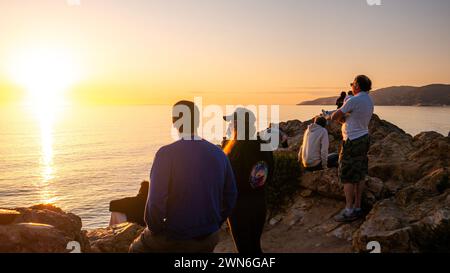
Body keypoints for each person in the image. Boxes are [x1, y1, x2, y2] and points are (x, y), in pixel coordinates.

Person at [129, 100, 238, 253]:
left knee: (135, 248)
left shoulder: (166, 154)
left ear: (174, 122)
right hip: (210, 237)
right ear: (198, 121)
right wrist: (215, 223)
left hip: (177, 237)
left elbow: (155, 202)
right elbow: (231, 196)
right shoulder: (219, 153)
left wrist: (155, 229)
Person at [222, 108, 274, 254]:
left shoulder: (235, 148)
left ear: (238, 125)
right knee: (255, 246)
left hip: (239, 207)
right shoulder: (263, 144)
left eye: (232, 122)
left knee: (244, 249)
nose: (230, 126)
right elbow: (269, 173)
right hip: (259, 203)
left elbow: (228, 179)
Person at [331, 75, 374, 223]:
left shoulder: (354, 100)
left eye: (352, 84)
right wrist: (347, 117)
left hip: (352, 141)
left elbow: (334, 116)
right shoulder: (369, 100)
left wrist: (342, 119)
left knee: (347, 175)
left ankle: (349, 210)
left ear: (356, 85)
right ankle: (357, 206)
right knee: (360, 173)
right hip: (364, 137)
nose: (351, 87)